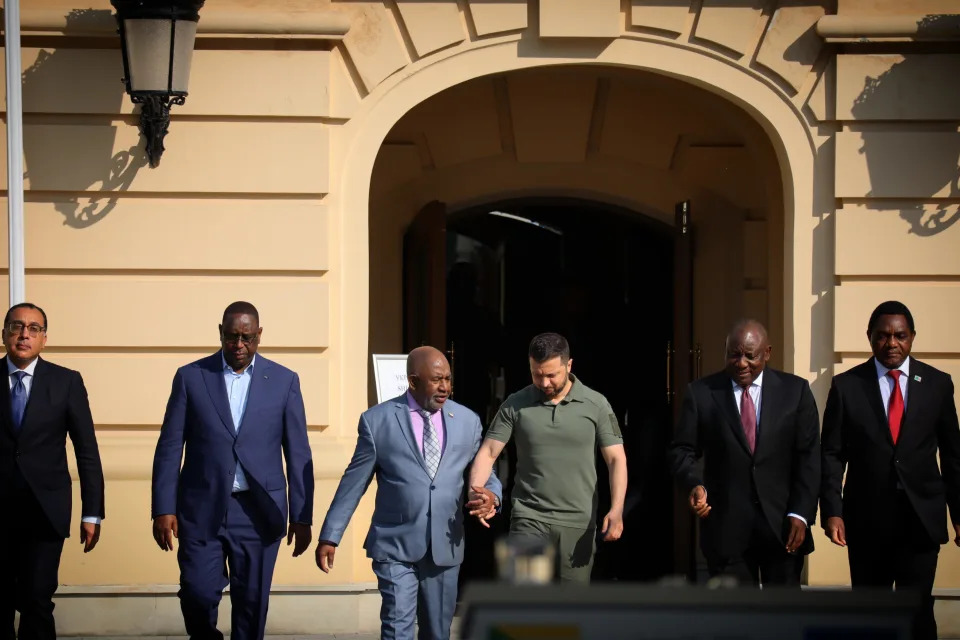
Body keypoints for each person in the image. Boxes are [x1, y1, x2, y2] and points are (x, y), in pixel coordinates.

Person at [151, 301, 314, 640]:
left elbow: (298, 453)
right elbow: (169, 447)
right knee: (197, 592)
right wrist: (163, 508)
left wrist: (302, 514)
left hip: (258, 510)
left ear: (259, 335)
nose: (239, 345)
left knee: (252, 607)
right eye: (231, 337)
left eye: (247, 337)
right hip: (200, 508)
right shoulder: (191, 377)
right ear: (220, 333)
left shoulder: (284, 381)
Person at [316, 346, 501, 640]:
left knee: (437, 632)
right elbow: (354, 483)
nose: (445, 388)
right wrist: (330, 535)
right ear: (413, 382)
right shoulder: (377, 421)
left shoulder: (467, 421)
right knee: (396, 626)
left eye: (448, 379)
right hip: (395, 544)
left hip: (445, 544)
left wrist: (492, 496)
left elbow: (483, 472)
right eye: (437, 380)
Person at [820, 301, 960, 640]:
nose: (891, 343)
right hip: (867, 521)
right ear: (870, 338)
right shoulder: (847, 386)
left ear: (912, 338)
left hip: (921, 520)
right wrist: (833, 512)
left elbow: (954, 455)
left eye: (900, 335)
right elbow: (831, 455)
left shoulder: (938, 384)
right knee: (870, 613)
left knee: (918, 612)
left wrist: (959, 513)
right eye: (883, 336)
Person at [669, 319, 820, 586]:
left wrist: (801, 513)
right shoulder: (702, 393)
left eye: (750, 356)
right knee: (735, 621)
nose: (741, 363)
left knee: (783, 621)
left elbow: (809, 457)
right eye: (734, 354)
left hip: (782, 528)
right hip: (727, 530)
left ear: (768, 353)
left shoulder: (795, 392)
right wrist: (694, 483)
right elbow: (682, 450)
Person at [468, 332, 627, 583]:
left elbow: (616, 459)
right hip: (528, 517)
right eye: (537, 374)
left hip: (578, 523)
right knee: (524, 603)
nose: (544, 383)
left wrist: (617, 510)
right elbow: (488, 452)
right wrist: (476, 493)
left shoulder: (596, 404)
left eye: (552, 375)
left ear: (569, 365)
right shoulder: (515, 404)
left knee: (571, 612)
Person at [0, 302, 105, 640]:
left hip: (45, 512)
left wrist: (92, 513)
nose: (24, 335)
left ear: (44, 338)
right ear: (4, 334)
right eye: (17, 327)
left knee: (36, 601)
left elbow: (86, 450)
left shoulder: (66, 382)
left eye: (33, 329)